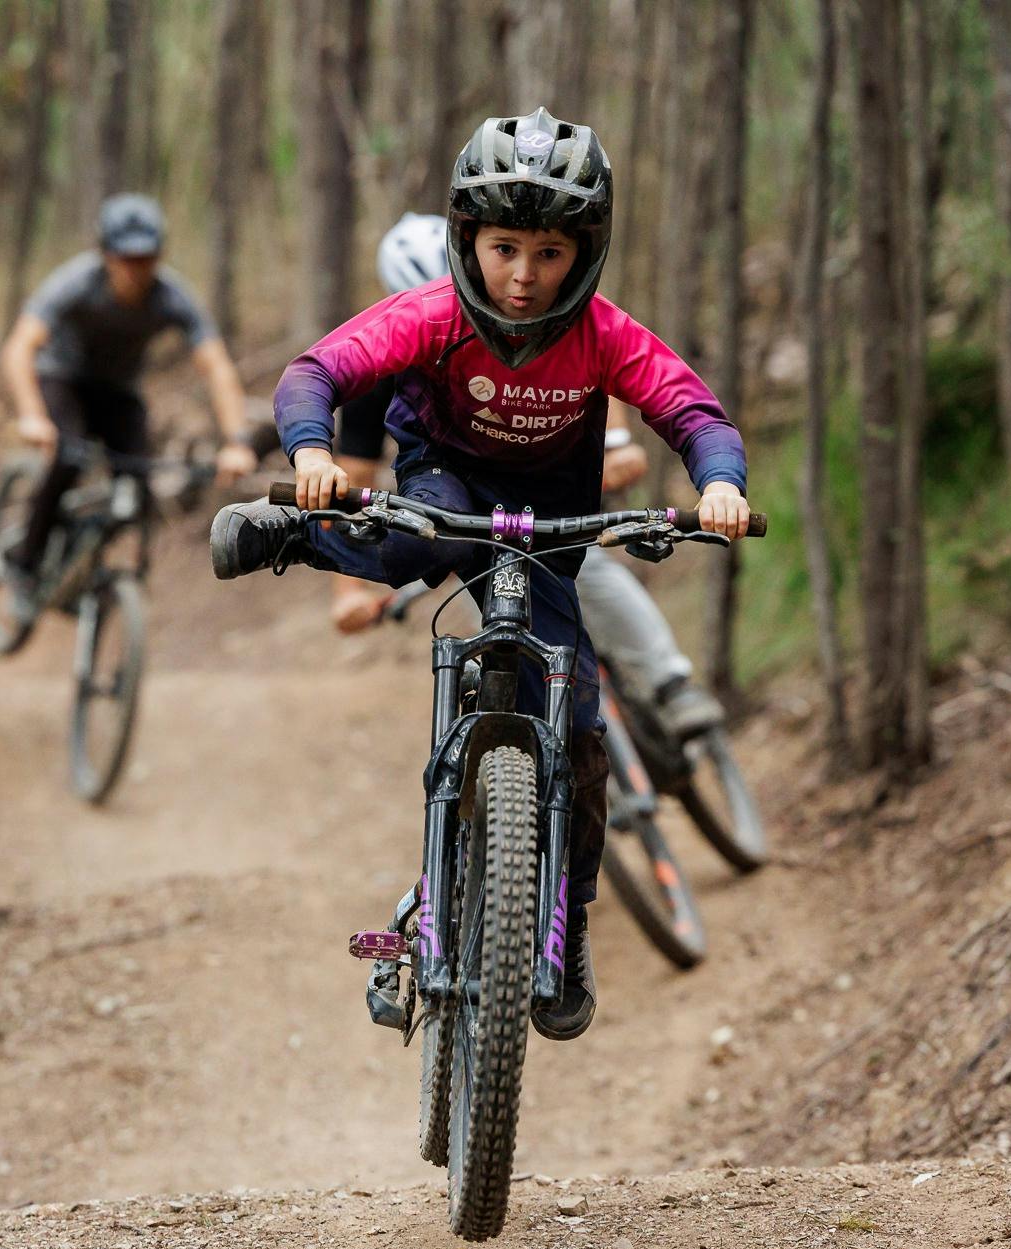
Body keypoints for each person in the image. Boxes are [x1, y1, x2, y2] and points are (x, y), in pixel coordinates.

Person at [210, 109, 751, 1041]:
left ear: (585, 252)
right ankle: (291, 538)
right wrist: (309, 452)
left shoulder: (606, 335)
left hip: (552, 520)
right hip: (447, 482)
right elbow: (316, 373)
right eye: (505, 248)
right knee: (413, 546)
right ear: (469, 240)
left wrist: (721, 485)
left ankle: (566, 924)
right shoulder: (435, 315)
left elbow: (694, 411)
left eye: (548, 252)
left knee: (580, 728)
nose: (525, 275)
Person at [334, 216, 727, 739]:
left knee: (590, 574)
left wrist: (617, 446)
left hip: (548, 487)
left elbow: (584, 381)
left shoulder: (552, 328)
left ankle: (668, 682)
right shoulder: (388, 357)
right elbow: (349, 481)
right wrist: (347, 592)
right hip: (458, 508)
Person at [0, 193, 258, 602]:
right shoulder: (75, 283)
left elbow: (217, 367)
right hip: (61, 378)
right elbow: (19, 348)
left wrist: (237, 442)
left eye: (147, 258)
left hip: (117, 390)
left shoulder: (173, 296)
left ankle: (97, 570)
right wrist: (32, 416)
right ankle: (24, 561)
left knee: (138, 485)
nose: (137, 270)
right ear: (106, 254)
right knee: (67, 457)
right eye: (127, 258)